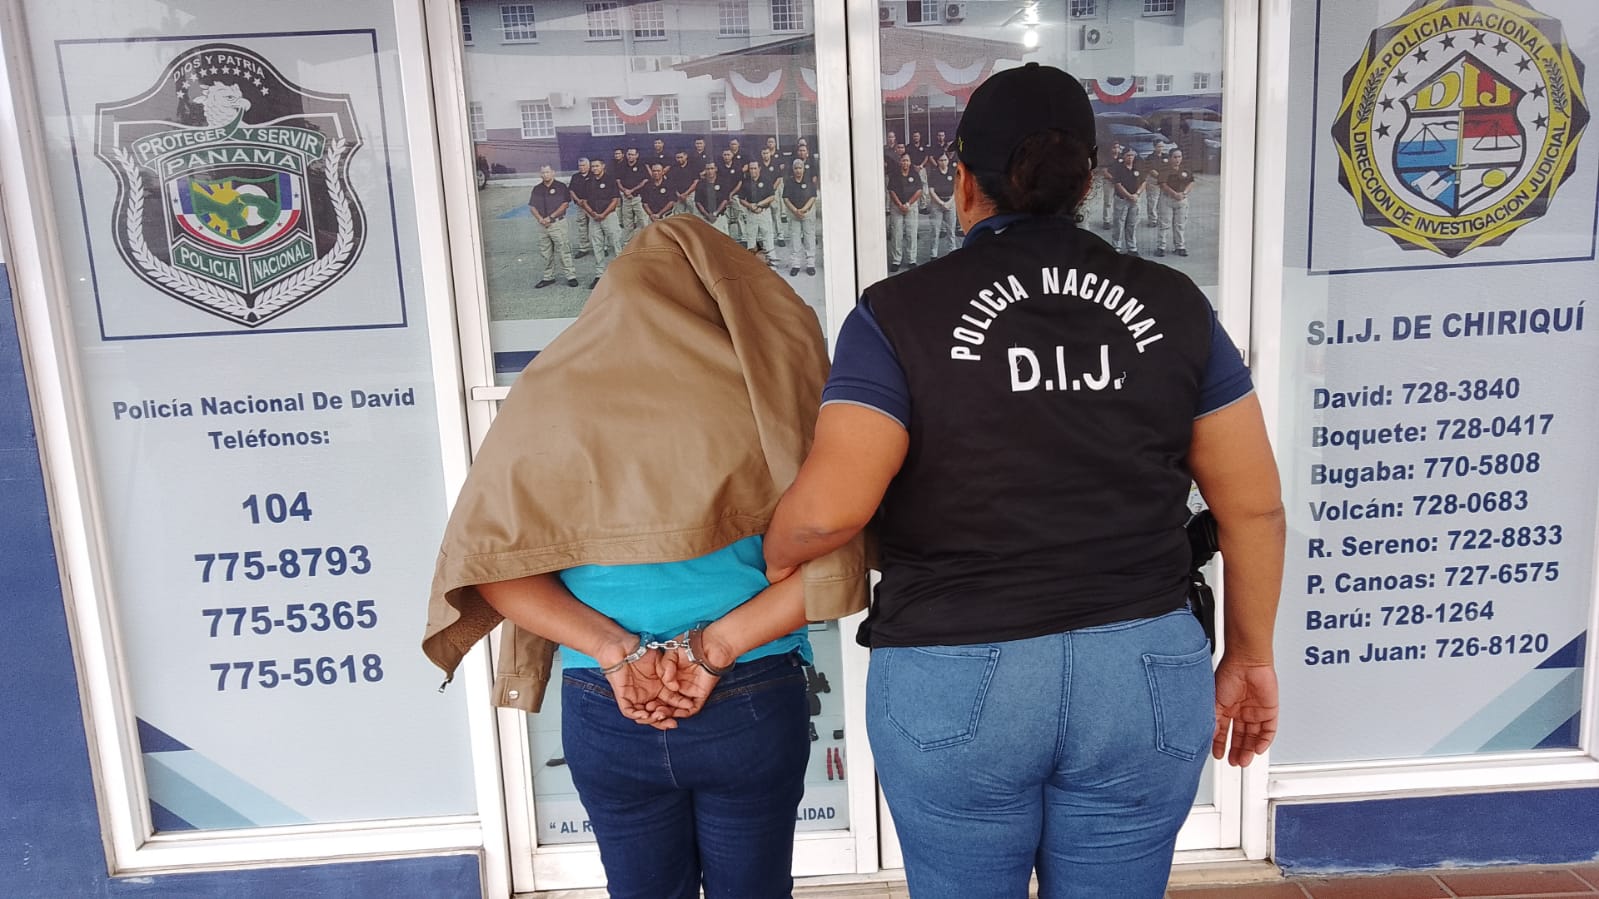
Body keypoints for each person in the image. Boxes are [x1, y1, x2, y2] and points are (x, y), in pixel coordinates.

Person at [761, 63, 1284, 899]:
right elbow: (1252, 506)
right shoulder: (1174, 303)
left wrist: (776, 553)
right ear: (1086, 181)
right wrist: (1249, 653)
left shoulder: (898, 312)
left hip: (957, 668)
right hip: (1142, 666)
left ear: (963, 182)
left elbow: (827, 515)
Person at [424, 216, 868, 899]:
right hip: (749, 690)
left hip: (608, 699)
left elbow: (493, 568)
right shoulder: (772, 395)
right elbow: (834, 557)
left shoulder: (550, 396)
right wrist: (712, 649)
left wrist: (616, 651)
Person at [528, 165, 579, 289]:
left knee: (563, 250)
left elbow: (565, 204)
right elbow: (532, 207)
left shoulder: (561, 187)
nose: (545, 175)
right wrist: (540, 219)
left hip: (557, 223)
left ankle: (571, 276)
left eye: (547, 172)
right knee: (545, 252)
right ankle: (548, 277)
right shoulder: (537, 189)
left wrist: (550, 217)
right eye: (543, 172)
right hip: (542, 225)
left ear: (553, 173)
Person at [582, 157, 624, 288]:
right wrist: (592, 213)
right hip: (594, 218)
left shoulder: (610, 180)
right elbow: (584, 201)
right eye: (593, 166)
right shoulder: (588, 182)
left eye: (597, 166)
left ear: (603, 166)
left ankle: (621, 274)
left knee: (616, 244)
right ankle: (599, 275)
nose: (594, 169)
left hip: (609, 217)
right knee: (597, 246)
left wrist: (604, 214)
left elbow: (615, 200)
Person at [886, 153, 922, 271]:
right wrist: (900, 205)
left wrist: (908, 204)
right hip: (897, 207)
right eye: (903, 160)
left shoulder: (915, 174)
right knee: (897, 234)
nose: (905, 163)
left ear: (910, 162)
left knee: (911, 233)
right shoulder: (894, 175)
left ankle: (912, 260)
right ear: (900, 162)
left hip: (911, 206)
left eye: (907, 160)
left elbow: (919, 190)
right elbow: (891, 191)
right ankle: (896, 260)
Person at [783, 158, 818, 276]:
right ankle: (796, 265)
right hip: (794, 214)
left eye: (800, 168)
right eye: (796, 168)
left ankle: (810, 264)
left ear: (803, 169)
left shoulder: (809, 181)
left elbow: (813, 197)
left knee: (809, 238)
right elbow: (785, 198)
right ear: (793, 169)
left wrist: (803, 210)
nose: (798, 170)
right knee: (795, 239)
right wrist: (795, 211)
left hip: (807, 213)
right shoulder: (789, 182)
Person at [1157, 148, 1194, 258]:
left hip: (1182, 199)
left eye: (1179, 157)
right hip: (1167, 199)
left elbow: (1191, 182)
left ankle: (1180, 247)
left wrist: (1184, 193)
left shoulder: (1185, 169)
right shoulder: (1164, 169)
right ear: (1170, 158)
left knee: (1180, 224)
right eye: (1175, 157)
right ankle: (1161, 247)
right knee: (1164, 224)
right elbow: (1163, 184)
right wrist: (1174, 194)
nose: (1177, 159)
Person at [739, 158, 778, 257]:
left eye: (755, 168)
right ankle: (752, 263)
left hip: (764, 212)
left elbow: (772, 196)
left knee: (768, 238)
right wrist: (750, 206)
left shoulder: (766, 180)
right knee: (751, 238)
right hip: (751, 213)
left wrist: (760, 204)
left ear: (759, 168)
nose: (753, 171)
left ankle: (771, 261)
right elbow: (741, 199)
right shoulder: (746, 182)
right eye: (751, 169)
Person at [924, 152, 957, 259]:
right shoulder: (934, 173)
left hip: (950, 203)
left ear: (948, 160)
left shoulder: (953, 172)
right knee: (935, 230)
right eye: (941, 160)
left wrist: (949, 202)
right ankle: (933, 253)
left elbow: (956, 189)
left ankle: (952, 250)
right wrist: (941, 203)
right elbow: (931, 191)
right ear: (937, 161)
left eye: (945, 160)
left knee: (951, 230)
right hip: (936, 204)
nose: (943, 162)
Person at [1111, 146, 1143, 254]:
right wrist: (1129, 195)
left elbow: (1143, 182)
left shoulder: (1138, 167)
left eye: (1132, 155)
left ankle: (1131, 246)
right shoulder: (1118, 168)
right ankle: (1116, 246)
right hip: (1122, 200)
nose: (1130, 157)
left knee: (1132, 224)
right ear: (1124, 156)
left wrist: (1137, 194)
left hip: (1135, 200)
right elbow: (1118, 184)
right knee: (1119, 224)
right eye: (1128, 155)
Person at [617, 146, 651, 240]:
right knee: (627, 222)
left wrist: (632, 191)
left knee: (643, 221)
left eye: (632, 154)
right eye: (629, 154)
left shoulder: (641, 166)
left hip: (638, 198)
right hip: (626, 198)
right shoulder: (621, 166)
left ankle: (647, 241)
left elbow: (645, 180)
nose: (630, 156)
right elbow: (618, 181)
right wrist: (625, 191)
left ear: (637, 155)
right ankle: (628, 242)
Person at [694, 162, 731, 234]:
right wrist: (707, 215)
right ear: (705, 170)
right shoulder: (701, 183)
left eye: (712, 168)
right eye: (708, 169)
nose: (710, 171)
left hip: (719, 217)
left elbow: (725, 200)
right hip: (705, 218)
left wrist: (715, 214)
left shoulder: (723, 182)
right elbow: (698, 202)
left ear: (716, 169)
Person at [569, 157, 594, 259]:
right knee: (582, 227)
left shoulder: (593, 175)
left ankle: (601, 247)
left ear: (588, 166)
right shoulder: (575, 177)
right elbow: (571, 190)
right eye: (580, 166)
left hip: (592, 206)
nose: (581, 167)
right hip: (580, 206)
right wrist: (578, 200)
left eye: (583, 165)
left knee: (595, 227)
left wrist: (587, 201)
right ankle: (584, 248)